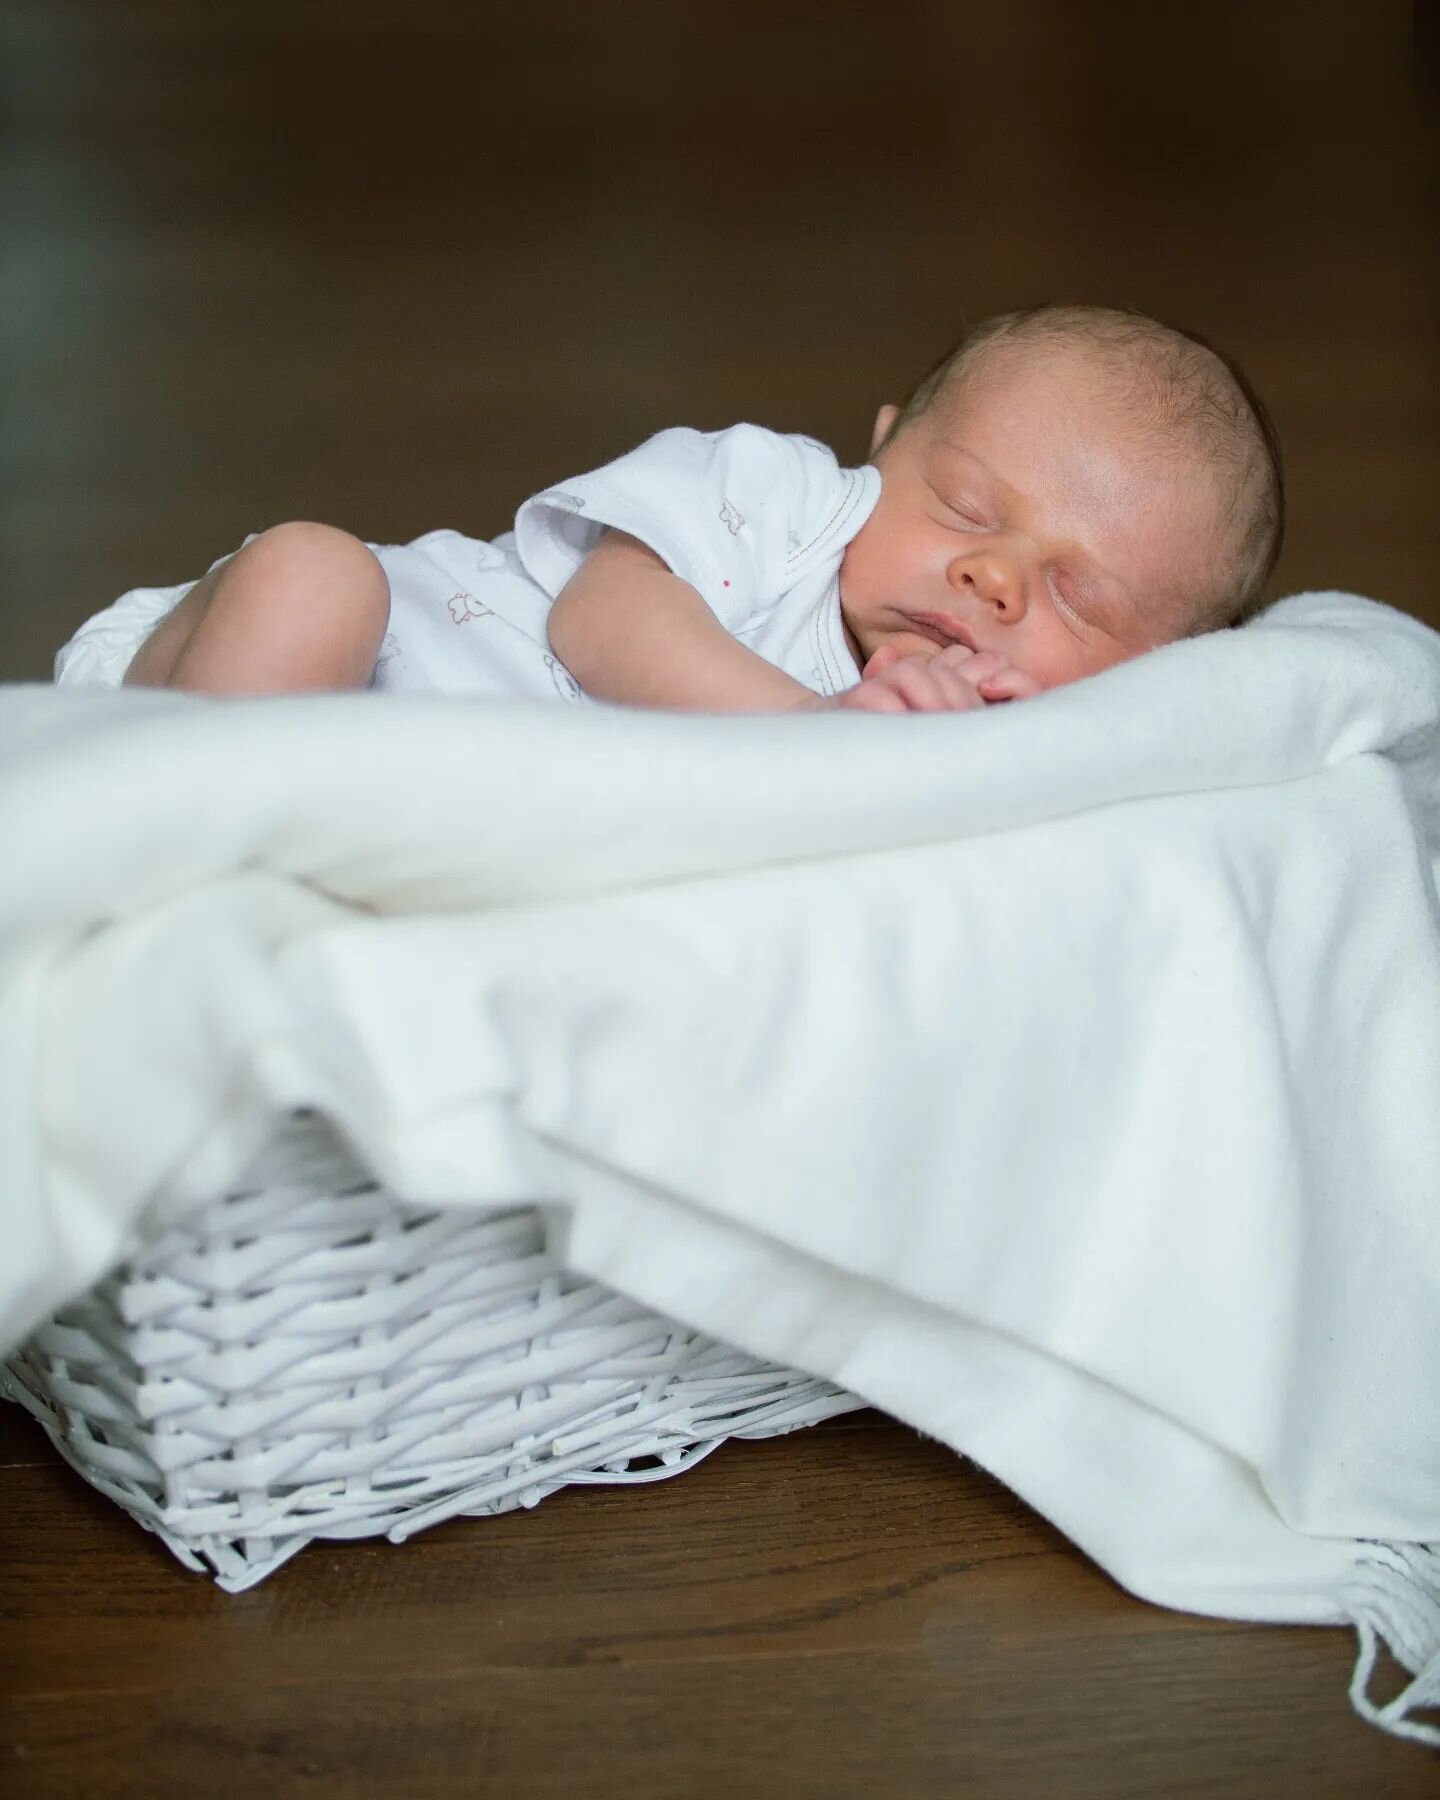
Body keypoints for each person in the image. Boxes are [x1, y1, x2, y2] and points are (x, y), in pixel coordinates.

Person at [55, 303, 1285, 715]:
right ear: (887, 449)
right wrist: (824, 738)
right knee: (315, 575)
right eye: (964, 507)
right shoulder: (792, 500)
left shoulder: (995, 744)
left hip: (406, 819)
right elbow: (606, 617)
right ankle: (170, 900)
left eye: (1079, 596)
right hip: (328, 665)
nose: (997, 578)